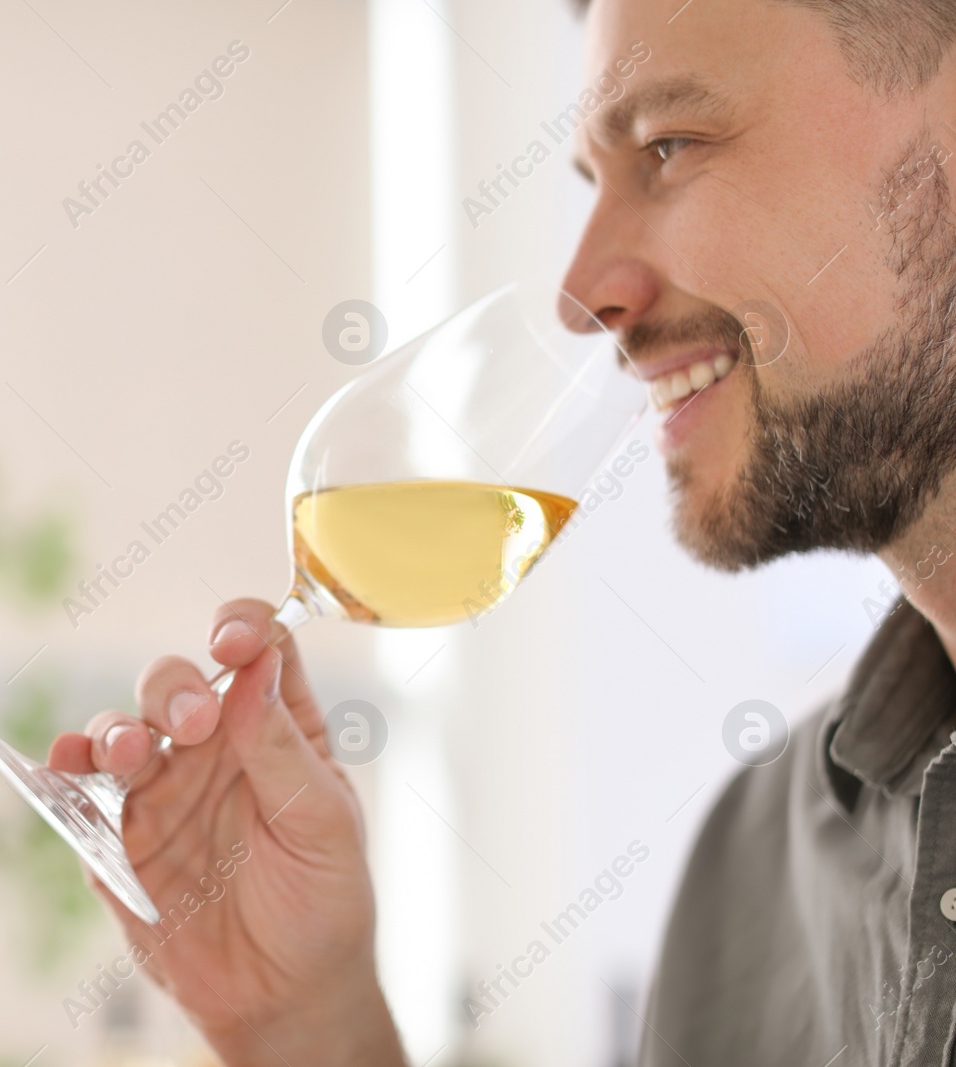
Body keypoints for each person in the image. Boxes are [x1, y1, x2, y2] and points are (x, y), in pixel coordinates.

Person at [47, 0, 956, 1062]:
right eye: (593, 180)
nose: (580, 297)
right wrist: (307, 1024)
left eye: (669, 144)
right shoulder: (755, 880)